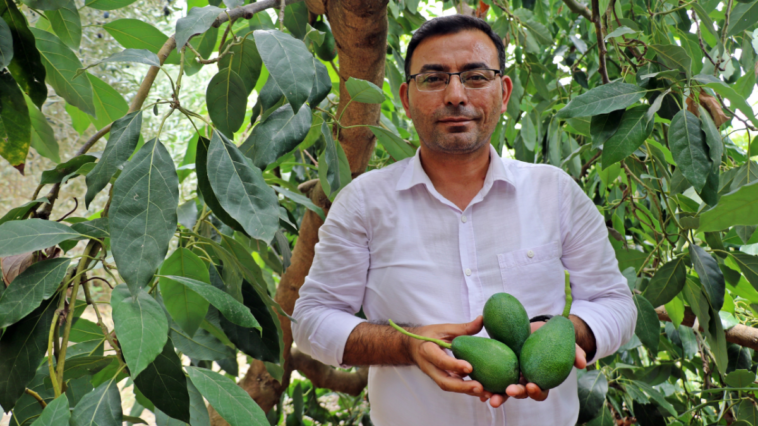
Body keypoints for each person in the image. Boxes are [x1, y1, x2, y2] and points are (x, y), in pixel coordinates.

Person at [292, 14, 636, 426]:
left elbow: (614, 302)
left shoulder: (555, 191)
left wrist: (566, 332)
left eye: (475, 76)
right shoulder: (363, 203)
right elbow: (310, 320)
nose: (455, 95)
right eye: (434, 79)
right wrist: (406, 345)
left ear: (503, 91)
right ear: (406, 97)